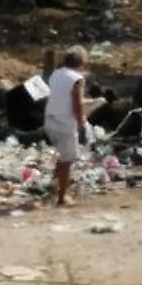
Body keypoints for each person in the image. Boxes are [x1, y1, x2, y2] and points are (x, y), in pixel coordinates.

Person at [44, 45, 89, 207]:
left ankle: (54, 185)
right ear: (81, 62)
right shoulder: (76, 79)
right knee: (67, 160)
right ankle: (62, 197)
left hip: (50, 119)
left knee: (62, 155)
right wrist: (82, 123)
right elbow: (77, 103)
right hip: (65, 123)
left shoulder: (56, 74)